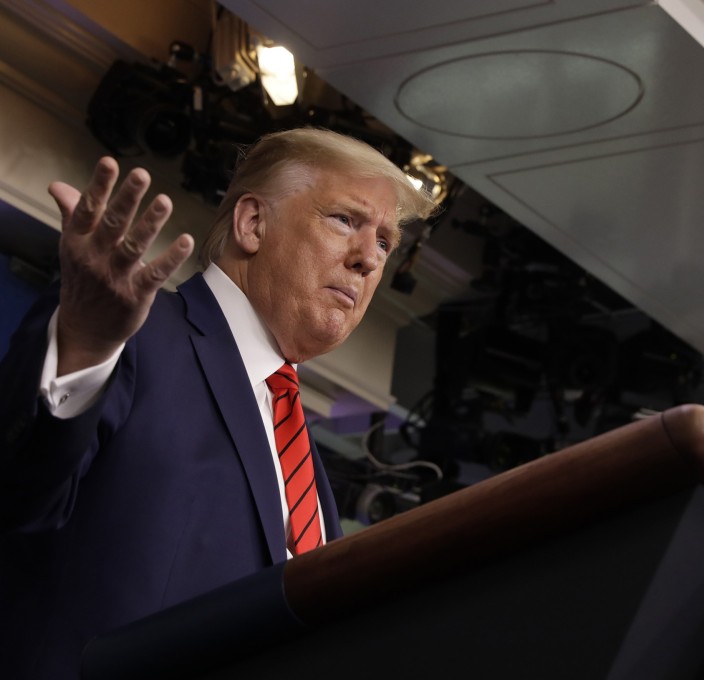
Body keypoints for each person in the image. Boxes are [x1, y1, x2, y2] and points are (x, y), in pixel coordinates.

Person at [0, 128, 437, 678]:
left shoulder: (301, 458)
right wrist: (85, 346)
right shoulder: (131, 334)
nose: (368, 260)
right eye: (346, 220)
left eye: (384, 243)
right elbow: (16, 495)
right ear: (252, 223)